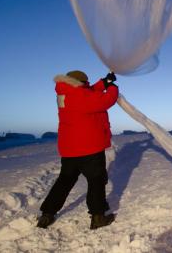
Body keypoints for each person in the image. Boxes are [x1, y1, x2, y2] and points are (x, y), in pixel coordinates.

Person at [36, 70, 119, 230]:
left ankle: (47, 214)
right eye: (86, 83)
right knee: (96, 181)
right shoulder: (81, 96)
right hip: (89, 148)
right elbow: (105, 100)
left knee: (64, 181)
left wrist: (103, 82)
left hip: (69, 150)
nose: (87, 86)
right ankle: (98, 217)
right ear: (80, 83)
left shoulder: (65, 94)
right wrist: (112, 88)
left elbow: (88, 94)